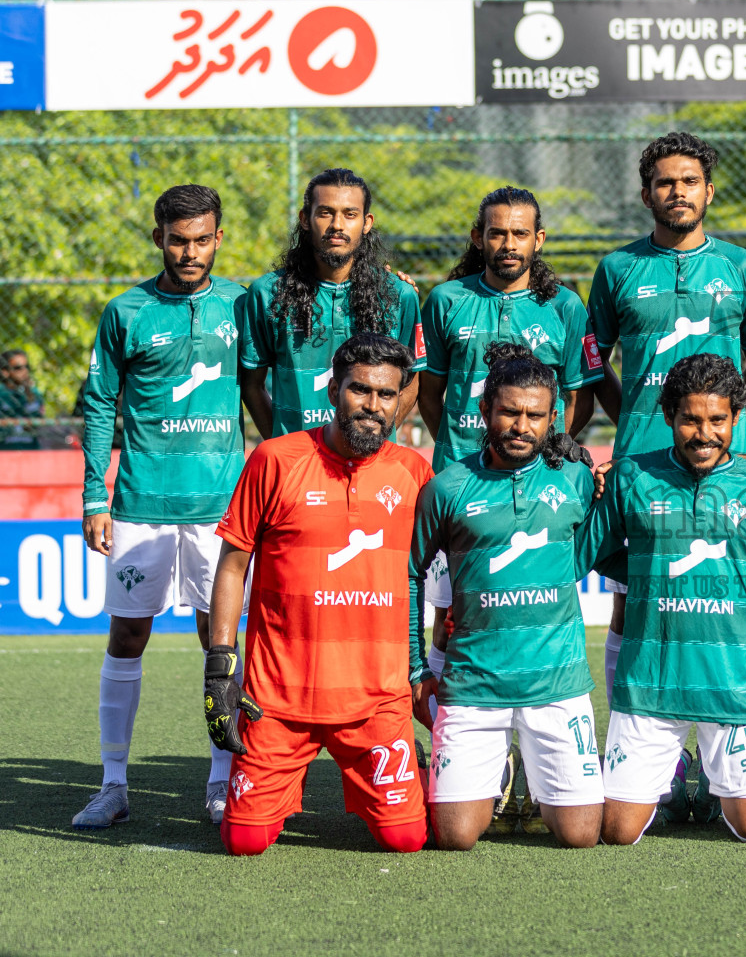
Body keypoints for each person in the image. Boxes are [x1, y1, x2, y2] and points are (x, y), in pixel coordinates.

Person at [204, 333, 433, 855]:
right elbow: (233, 565)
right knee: (244, 840)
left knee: (407, 839)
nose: (372, 406)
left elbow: (464, 555)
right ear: (334, 390)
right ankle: (283, 786)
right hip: (280, 699)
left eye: (386, 395)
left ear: (400, 401)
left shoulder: (415, 473)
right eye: (359, 390)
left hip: (376, 700)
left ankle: (432, 771)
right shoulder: (274, 458)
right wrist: (220, 663)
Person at [72, 185, 247, 829]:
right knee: (128, 635)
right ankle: (113, 784)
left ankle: (221, 781)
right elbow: (98, 407)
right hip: (141, 503)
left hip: (220, 507)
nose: (190, 252)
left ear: (218, 238)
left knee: (218, 640)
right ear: (159, 239)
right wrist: (96, 493)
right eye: (179, 240)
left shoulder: (243, 304)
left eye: (202, 239)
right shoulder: (126, 311)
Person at [578, 354, 746, 845]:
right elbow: (587, 554)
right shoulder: (630, 476)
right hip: (651, 683)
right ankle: (682, 770)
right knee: (617, 834)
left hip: (736, 685)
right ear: (668, 417)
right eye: (690, 420)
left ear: (737, 418)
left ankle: (712, 782)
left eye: (718, 420)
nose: (704, 433)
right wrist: (646, 572)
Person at [585, 132, 746, 706]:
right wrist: (638, 417)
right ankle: (648, 763)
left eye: (689, 181)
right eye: (665, 182)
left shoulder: (744, 268)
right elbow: (594, 361)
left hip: (718, 458)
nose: (678, 191)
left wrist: (731, 416)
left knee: (733, 592)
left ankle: (732, 756)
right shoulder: (616, 269)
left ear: (709, 190)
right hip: (641, 459)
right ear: (646, 195)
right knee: (632, 600)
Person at [408, 351, 604, 850]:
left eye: (535, 416)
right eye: (509, 412)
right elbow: (411, 574)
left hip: (557, 681)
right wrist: (415, 666)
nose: (521, 426)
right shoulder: (447, 487)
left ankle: (539, 786)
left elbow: (585, 553)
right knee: (455, 838)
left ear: (553, 419)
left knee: (581, 836)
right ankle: (498, 775)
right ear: (484, 410)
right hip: (475, 684)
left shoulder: (577, 476)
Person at [418, 186, 607, 471]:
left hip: (539, 474)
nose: (509, 244)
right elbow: (428, 394)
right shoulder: (445, 300)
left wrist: (542, 448)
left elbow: (579, 400)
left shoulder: (566, 306)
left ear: (538, 239)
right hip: (459, 471)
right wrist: (453, 450)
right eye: (497, 233)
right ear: (478, 238)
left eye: (520, 234)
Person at [239, 168, 424, 440]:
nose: (337, 224)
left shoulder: (399, 295)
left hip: (371, 463)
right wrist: (284, 449)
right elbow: (252, 385)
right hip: (297, 465)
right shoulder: (266, 293)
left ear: (366, 222)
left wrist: (377, 436)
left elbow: (414, 378)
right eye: (325, 212)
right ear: (305, 219)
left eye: (350, 214)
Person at [0, 349, 45, 448]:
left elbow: (37, 424)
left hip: (30, 449)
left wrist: (30, 397)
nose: (25, 371)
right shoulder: (1, 395)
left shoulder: (34, 394)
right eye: (18, 368)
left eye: (27, 367)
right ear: (5, 371)